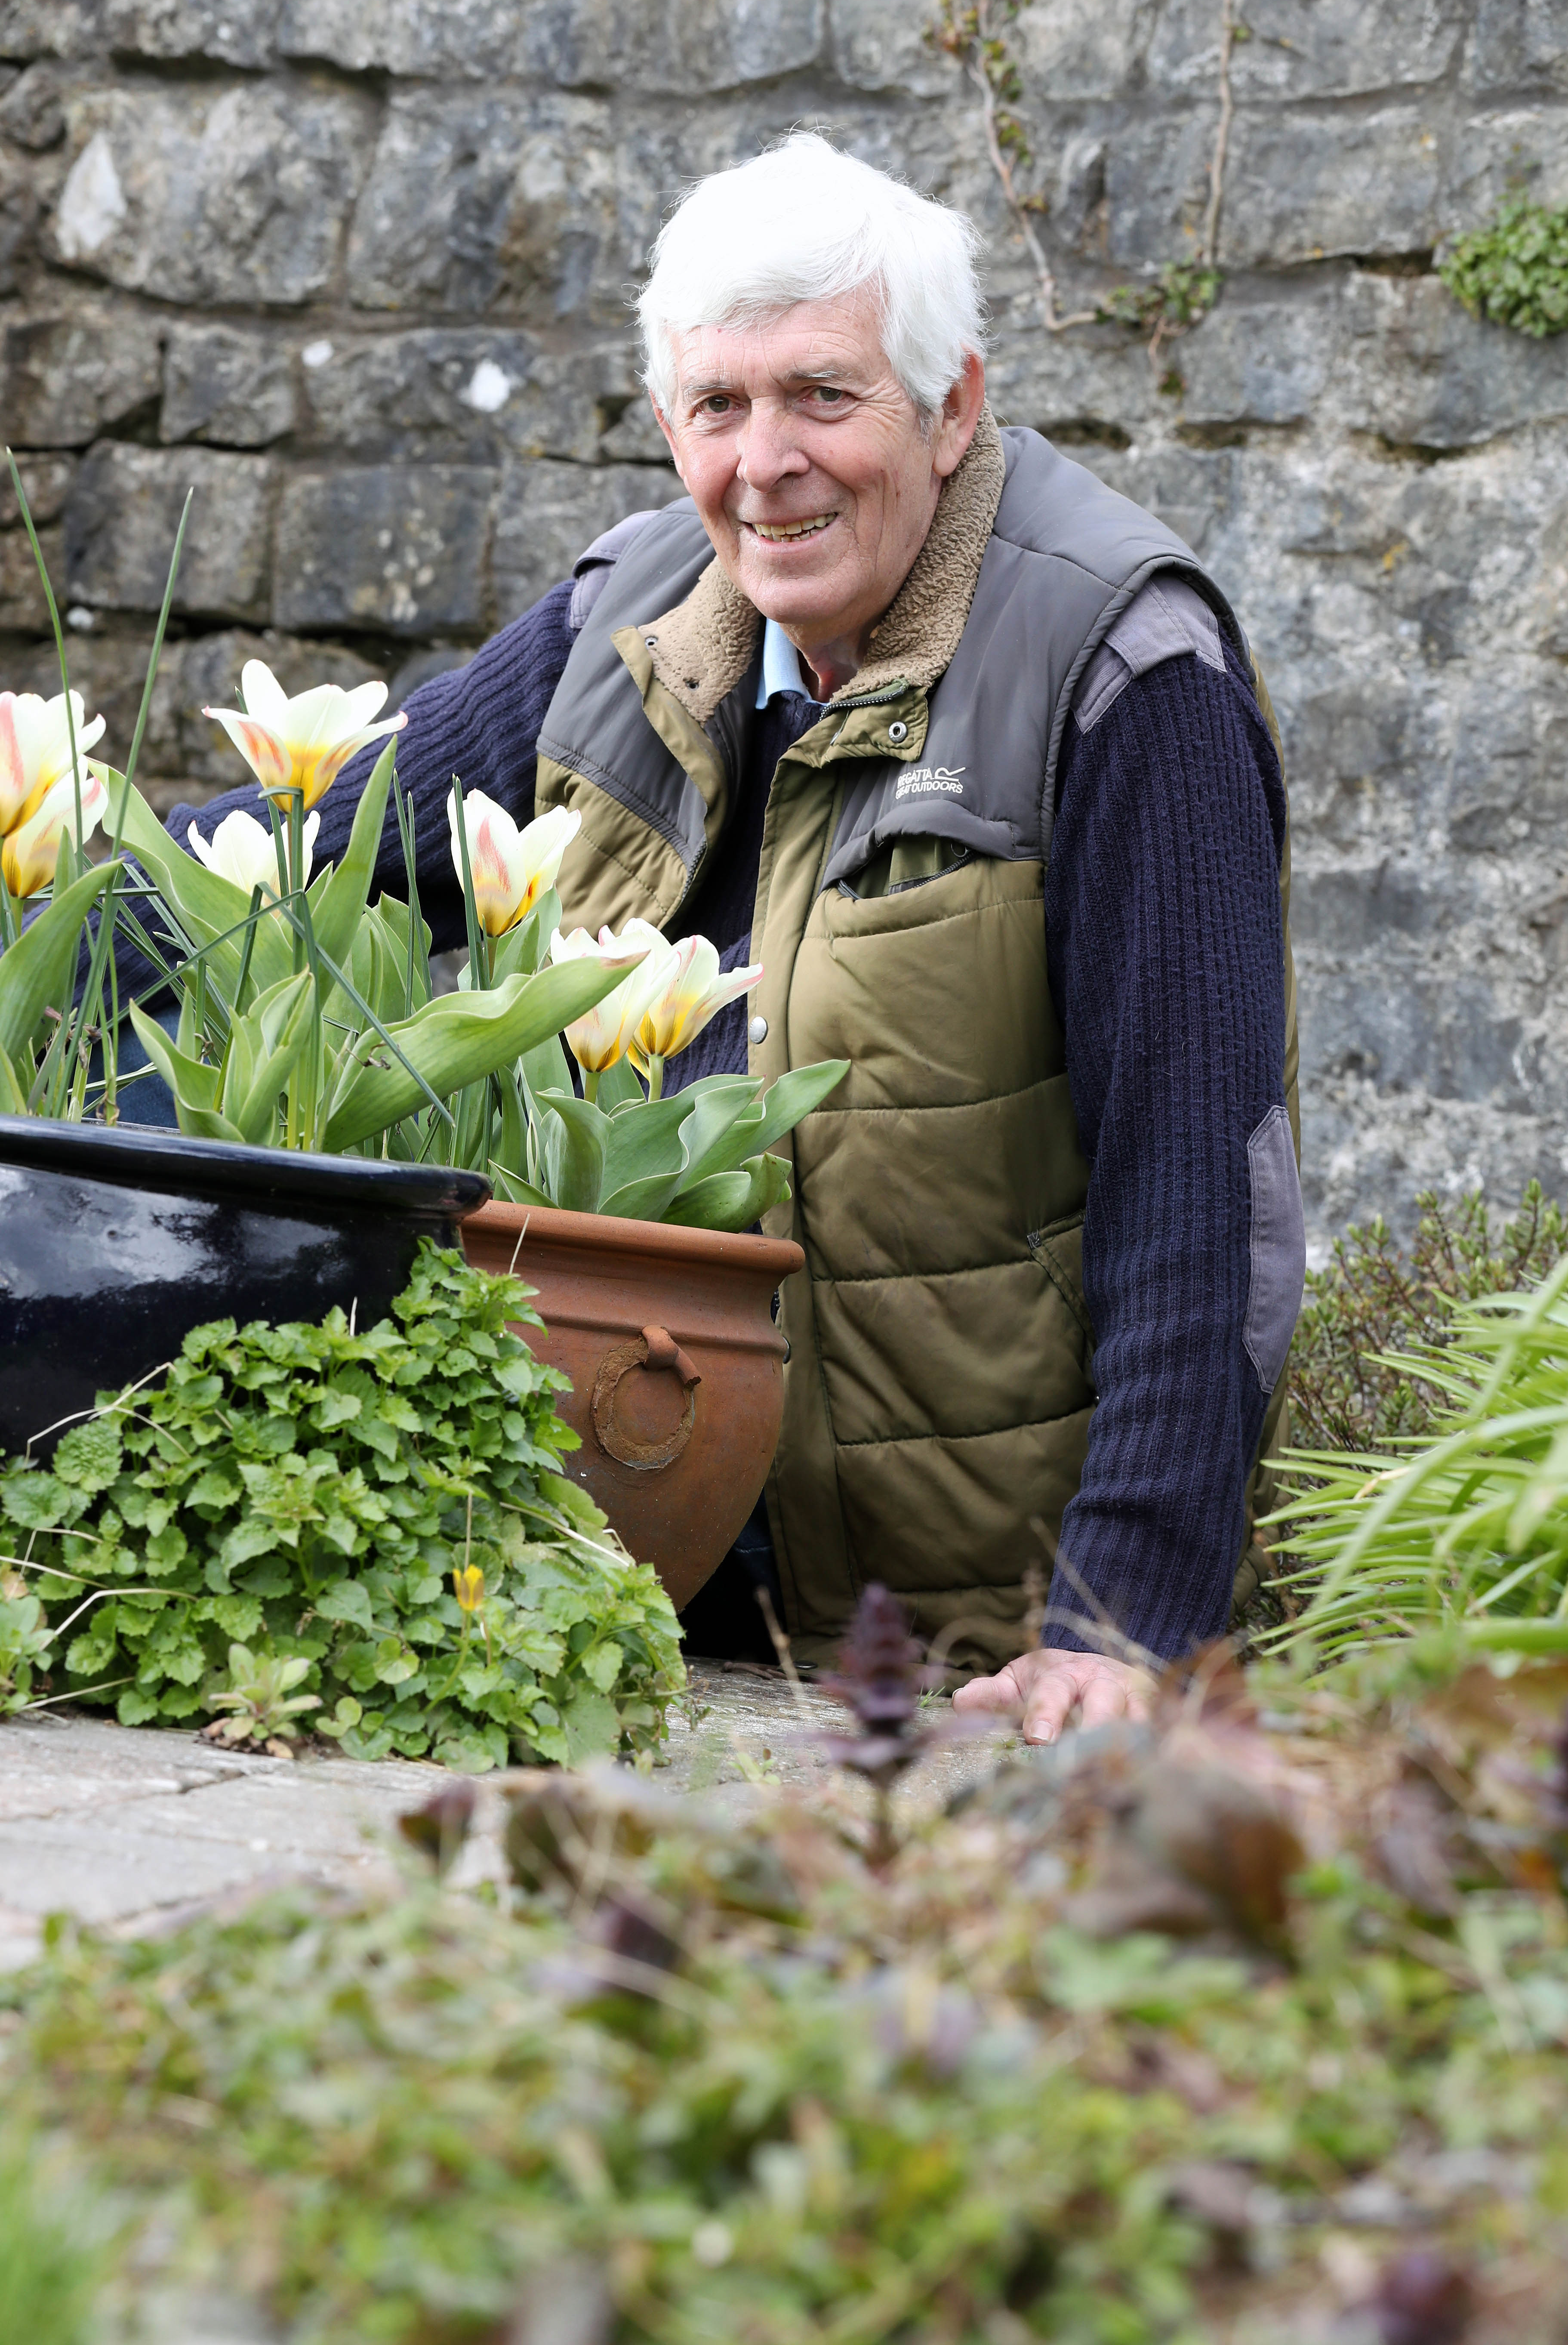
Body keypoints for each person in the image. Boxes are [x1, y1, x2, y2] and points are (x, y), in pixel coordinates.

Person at [149, 133, 1305, 1743]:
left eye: (824, 395)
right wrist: (62, 888)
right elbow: (288, 859)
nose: (766, 463)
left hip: (958, 1635)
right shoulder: (620, 630)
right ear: (668, 422)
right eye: (719, 406)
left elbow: (1198, 1179)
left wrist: (1126, 1626)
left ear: (951, 407)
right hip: (613, 1574)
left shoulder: (1120, 670)